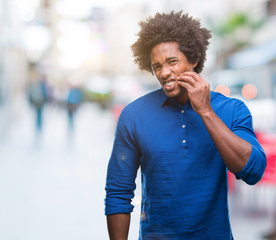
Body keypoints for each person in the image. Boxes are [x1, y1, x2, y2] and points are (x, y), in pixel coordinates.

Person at [104, 11, 267, 240]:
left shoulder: (232, 110)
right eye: (157, 66)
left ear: (194, 60)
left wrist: (205, 111)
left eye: (172, 62)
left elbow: (253, 171)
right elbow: (118, 192)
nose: (164, 72)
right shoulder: (133, 115)